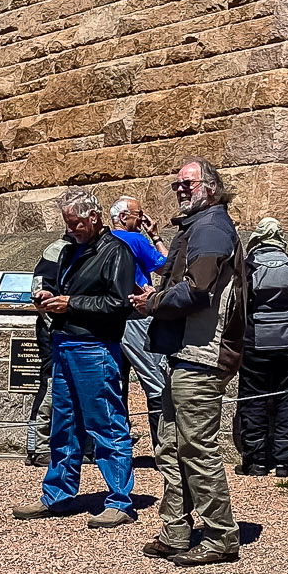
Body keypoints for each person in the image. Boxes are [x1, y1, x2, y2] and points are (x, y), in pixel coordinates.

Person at [132, 159, 247, 565]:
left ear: (211, 188)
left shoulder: (212, 228)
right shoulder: (197, 227)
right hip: (183, 352)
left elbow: (198, 290)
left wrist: (153, 303)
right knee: (168, 445)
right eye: (177, 183)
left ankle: (220, 537)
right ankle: (176, 529)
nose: (180, 189)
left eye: (188, 182)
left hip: (202, 353)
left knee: (196, 448)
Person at [12, 190, 139, 527]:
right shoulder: (71, 250)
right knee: (63, 425)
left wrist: (71, 304)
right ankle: (58, 495)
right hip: (65, 344)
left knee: (106, 423)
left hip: (95, 348)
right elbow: (73, 292)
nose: (71, 230)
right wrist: (49, 297)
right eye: (68, 224)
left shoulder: (117, 252)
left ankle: (119, 500)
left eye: (76, 223)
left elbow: (119, 304)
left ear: (94, 217)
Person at [235, 217, 288, 479]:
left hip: (255, 346)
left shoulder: (247, 267)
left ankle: (256, 463)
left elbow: (236, 308)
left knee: (253, 401)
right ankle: (286, 463)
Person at [109, 195, 171, 455]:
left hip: (106, 319)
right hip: (137, 319)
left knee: (112, 384)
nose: (142, 218)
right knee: (156, 383)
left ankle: (112, 449)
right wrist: (155, 236)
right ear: (124, 217)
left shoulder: (102, 241)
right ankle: (163, 447)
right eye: (138, 214)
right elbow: (166, 268)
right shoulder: (135, 240)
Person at [23, 232, 69, 468]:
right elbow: (39, 291)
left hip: (79, 334)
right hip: (53, 330)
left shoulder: (96, 248)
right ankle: (37, 446)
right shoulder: (56, 251)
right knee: (51, 384)